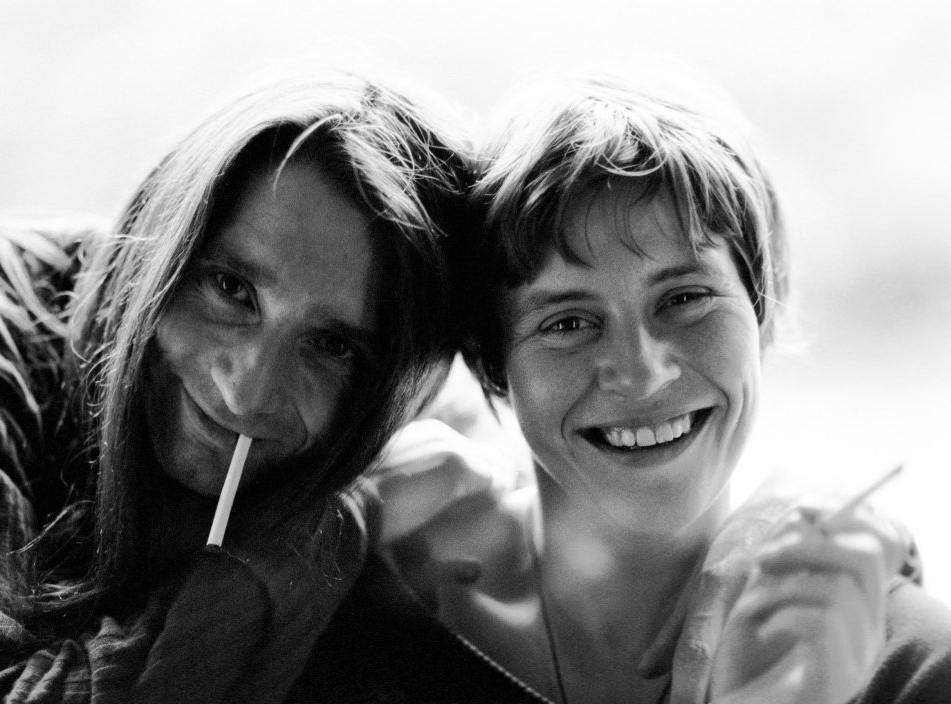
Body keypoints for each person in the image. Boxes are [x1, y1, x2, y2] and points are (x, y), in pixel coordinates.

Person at [287, 69, 951, 704]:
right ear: (490, 363)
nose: (640, 371)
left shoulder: (906, 664)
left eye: (685, 298)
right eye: (568, 323)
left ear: (760, 311)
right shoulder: (355, 605)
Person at [0, 70, 474, 702]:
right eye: (232, 289)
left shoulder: (383, 431)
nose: (247, 395)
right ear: (160, 237)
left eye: (331, 346)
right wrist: (331, 526)